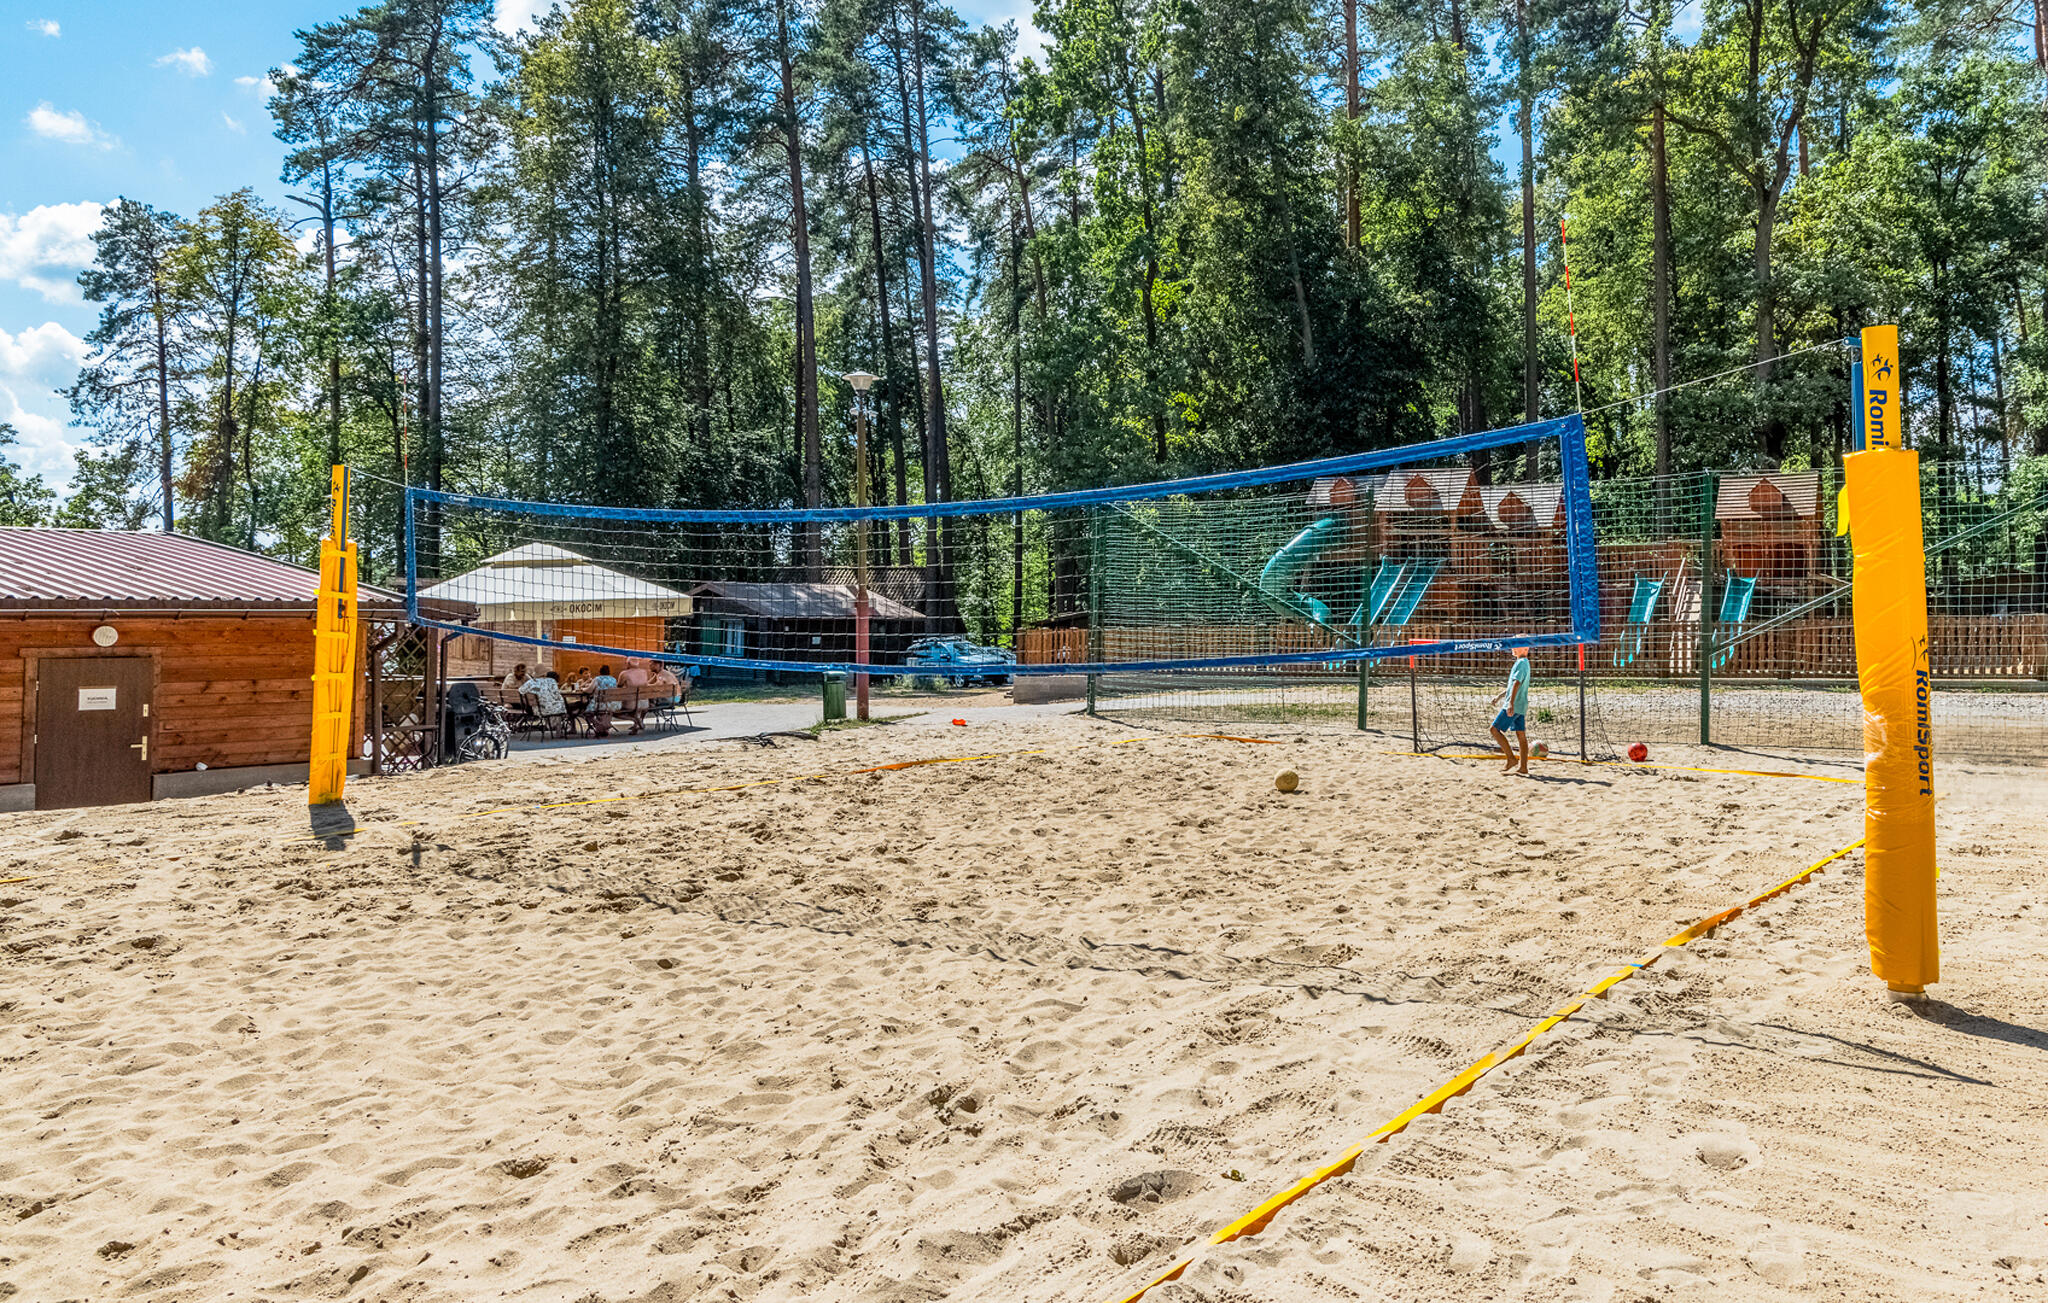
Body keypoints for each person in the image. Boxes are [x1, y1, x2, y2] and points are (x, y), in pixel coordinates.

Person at [1490, 646, 1533, 775]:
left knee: (1494, 730)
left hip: (1514, 705)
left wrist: (1510, 704)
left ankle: (1511, 759)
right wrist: (1499, 696)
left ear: (1525, 649)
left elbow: (1516, 683)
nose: (1513, 647)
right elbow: (1512, 685)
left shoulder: (1521, 663)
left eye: (1517, 645)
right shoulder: (1524, 662)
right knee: (1521, 736)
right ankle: (1523, 767)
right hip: (1521, 705)